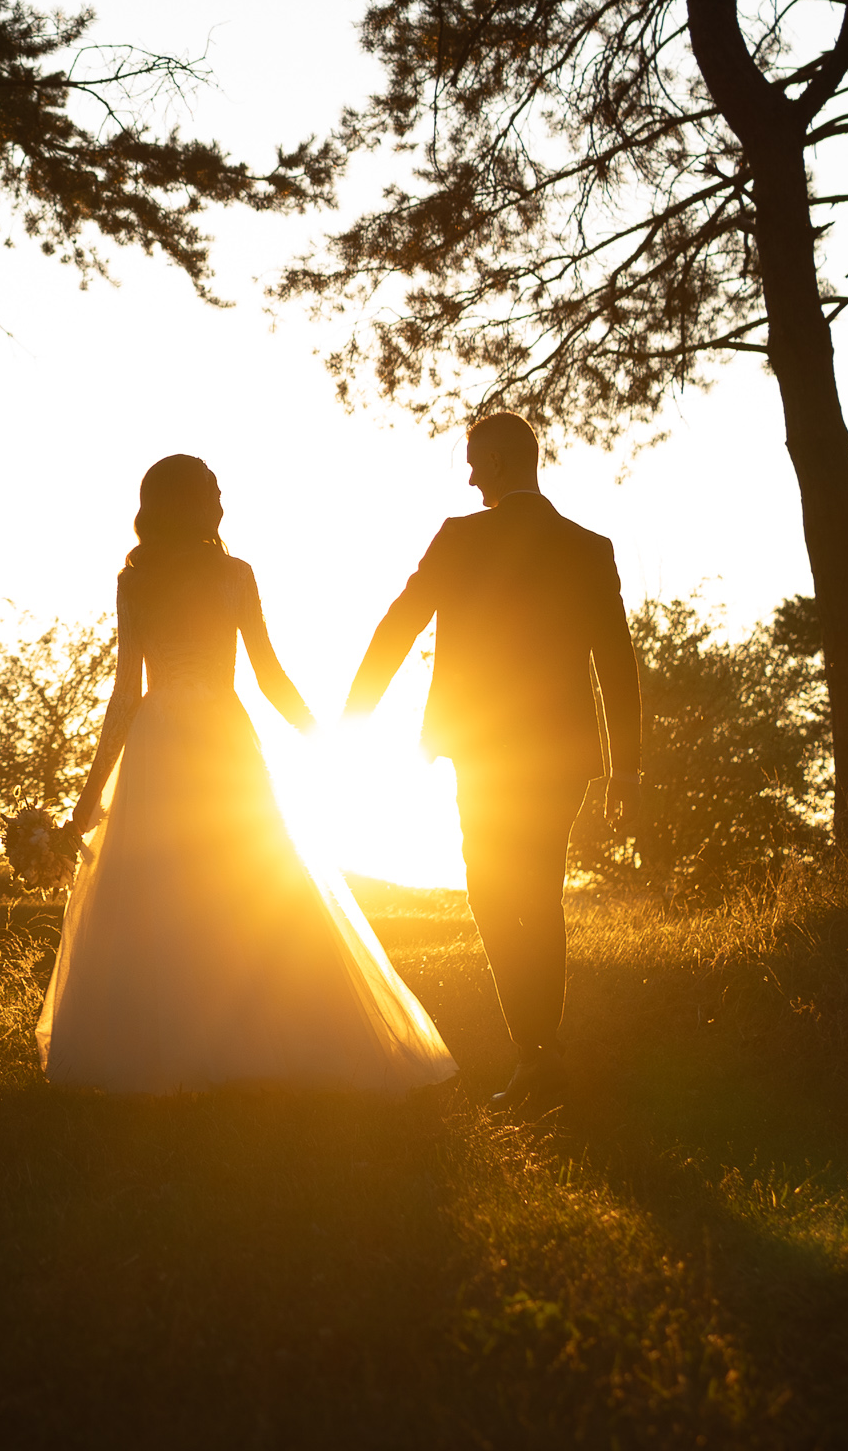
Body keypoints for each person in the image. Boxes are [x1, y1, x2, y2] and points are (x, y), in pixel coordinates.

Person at [37, 455, 457, 1094]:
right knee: (243, 882)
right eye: (213, 492)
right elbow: (267, 674)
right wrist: (322, 737)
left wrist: (87, 802)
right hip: (221, 738)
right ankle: (253, 1040)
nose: (222, 502)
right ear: (194, 504)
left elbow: (127, 697)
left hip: (158, 742)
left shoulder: (136, 580)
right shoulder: (233, 575)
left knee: (166, 891)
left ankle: (173, 1048)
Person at [343, 410, 641, 1114]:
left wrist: (356, 714)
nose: (470, 475)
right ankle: (540, 1052)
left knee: (494, 890)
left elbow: (399, 621)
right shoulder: (587, 547)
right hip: (561, 753)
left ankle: (538, 1054)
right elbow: (616, 663)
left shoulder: (460, 538)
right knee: (532, 889)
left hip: (484, 745)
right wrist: (625, 768)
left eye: (476, 461)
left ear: (503, 460)